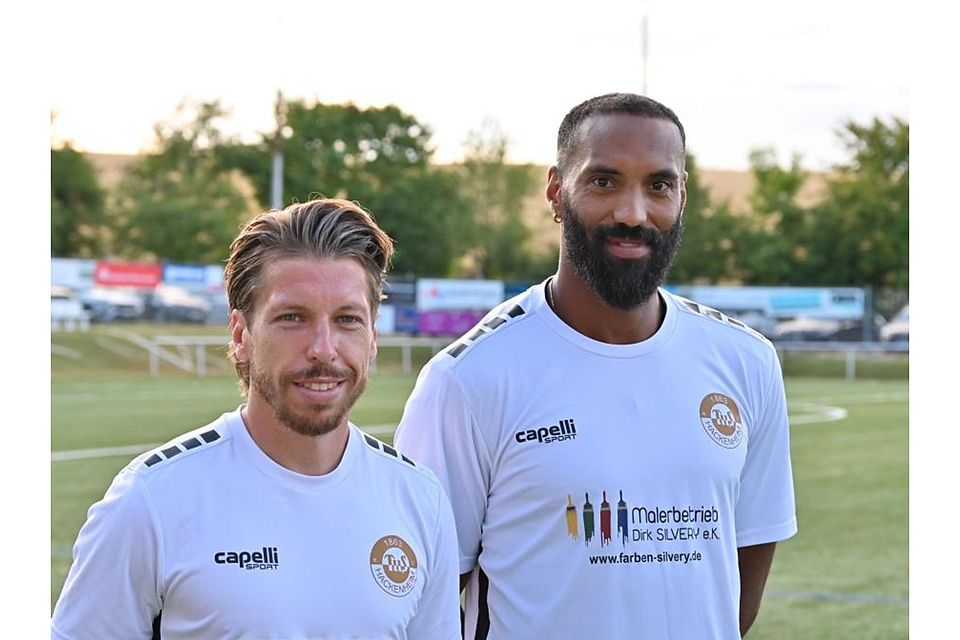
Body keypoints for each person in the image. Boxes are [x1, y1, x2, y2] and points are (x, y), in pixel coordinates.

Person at [394, 93, 797, 639]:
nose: (633, 213)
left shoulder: (746, 361)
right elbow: (425, 603)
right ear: (557, 193)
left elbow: (737, 589)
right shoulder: (467, 379)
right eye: (604, 182)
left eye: (659, 185)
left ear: (682, 196)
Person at [52, 198, 461, 639]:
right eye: (292, 318)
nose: (324, 348)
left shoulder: (419, 499)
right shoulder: (149, 501)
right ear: (241, 335)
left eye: (347, 320)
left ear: (373, 338)